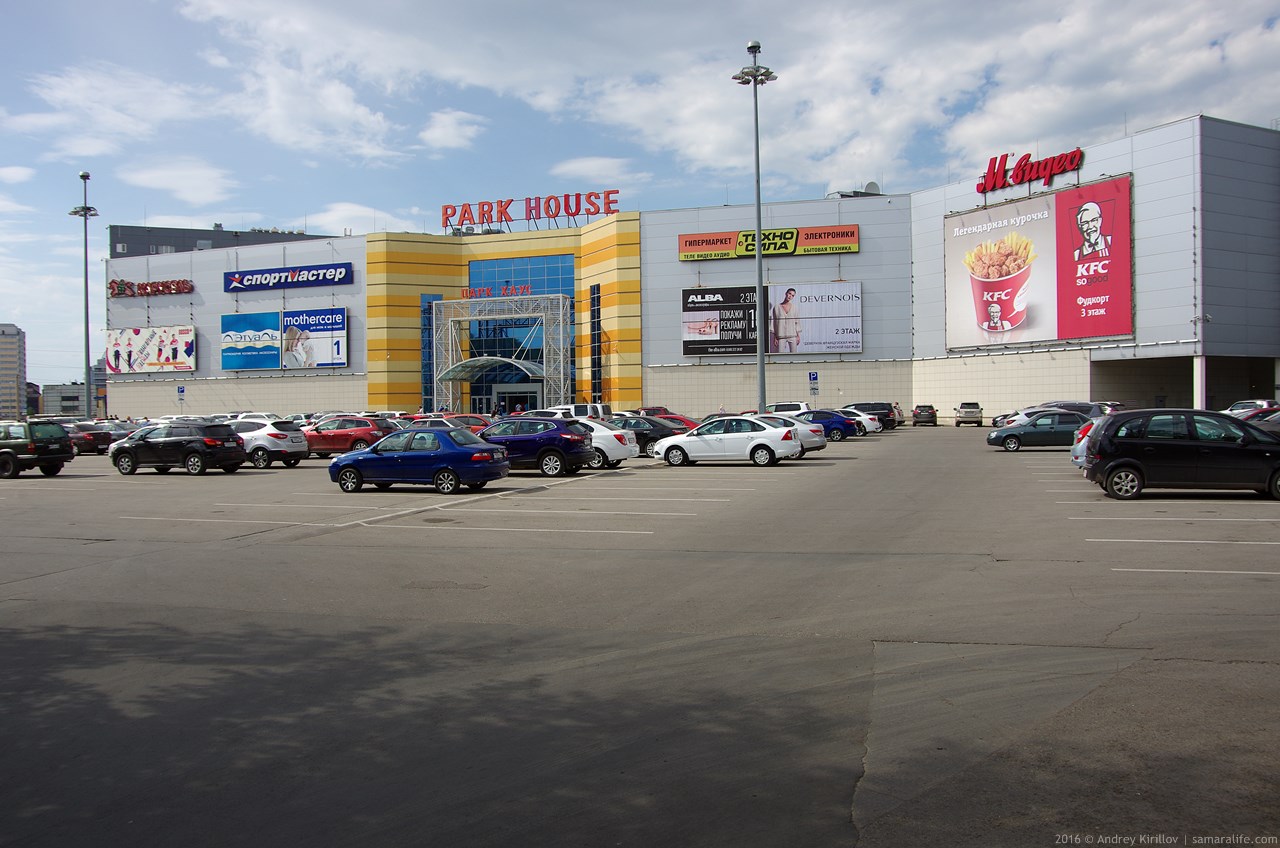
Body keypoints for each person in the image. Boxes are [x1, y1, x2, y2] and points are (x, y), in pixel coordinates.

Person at [770, 288, 802, 353]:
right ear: (786, 293)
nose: (790, 296)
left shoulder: (794, 308)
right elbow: (774, 323)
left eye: (793, 295)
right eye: (789, 293)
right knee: (780, 355)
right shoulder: (776, 307)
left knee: (794, 355)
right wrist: (775, 337)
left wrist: (798, 336)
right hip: (781, 336)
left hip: (793, 335)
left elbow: (797, 322)